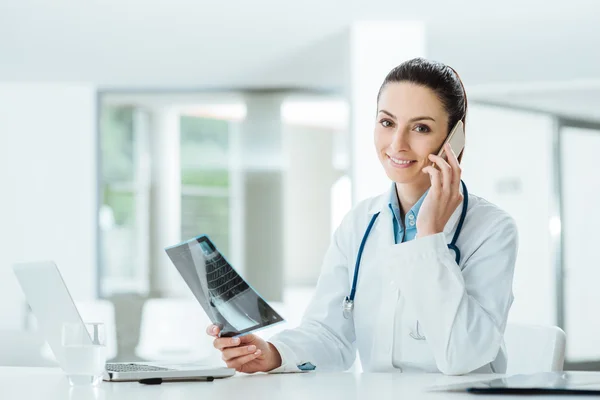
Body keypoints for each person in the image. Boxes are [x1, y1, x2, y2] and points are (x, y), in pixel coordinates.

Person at [206, 58, 518, 375]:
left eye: (420, 128)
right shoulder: (359, 223)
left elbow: (463, 356)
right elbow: (328, 335)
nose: (398, 144)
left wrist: (429, 235)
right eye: (387, 123)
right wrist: (272, 354)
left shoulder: (492, 229)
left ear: (455, 138)